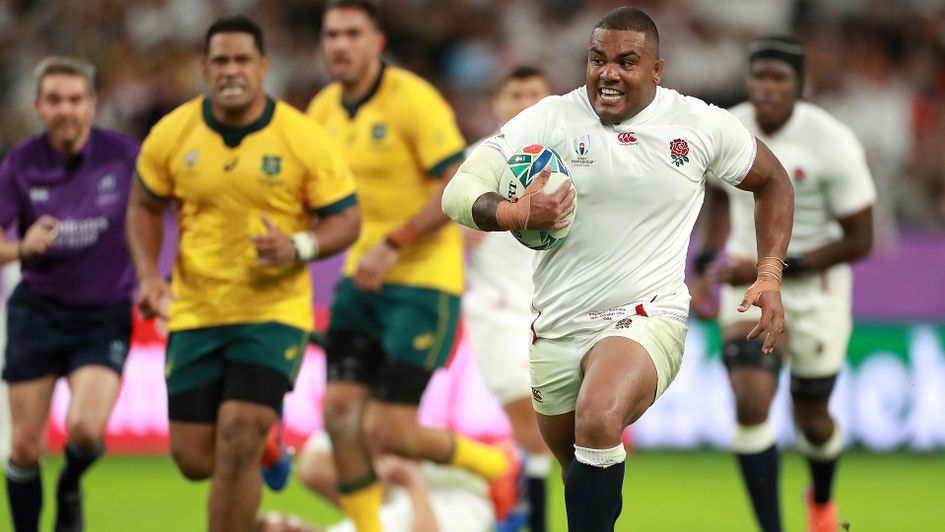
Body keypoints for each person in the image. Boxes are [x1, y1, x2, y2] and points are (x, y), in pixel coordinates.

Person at [442, 7, 795, 531]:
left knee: (599, 414)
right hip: (557, 325)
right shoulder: (550, 119)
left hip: (647, 314)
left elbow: (773, 181)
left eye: (626, 62)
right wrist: (514, 213)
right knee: (580, 472)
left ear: (656, 69)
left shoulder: (697, 124)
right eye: (597, 59)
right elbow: (457, 193)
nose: (608, 73)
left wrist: (769, 274)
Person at [126, 15, 360, 532]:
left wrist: (298, 246)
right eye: (221, 61)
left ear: (263, 67)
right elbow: (143, 204)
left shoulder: (301, 137)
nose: (231, 70)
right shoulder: (172, 133)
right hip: (196, 310)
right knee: (194, 459)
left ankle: (258, 433)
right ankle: (267, 447)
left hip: (272, 313)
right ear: (204, 68)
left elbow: (347, 218)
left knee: (238, 432)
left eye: (242, 60)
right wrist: (148, 277)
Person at [306, 2, 513, 530]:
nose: (340, 44)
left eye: (353, 33)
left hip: (421, 283)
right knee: (339, 415)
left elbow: (457, 182)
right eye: (332, 34)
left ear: (377, 41)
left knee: (389, 431)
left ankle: (494, 466)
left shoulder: (413, 100)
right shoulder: (322, 110)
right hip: (360, 281)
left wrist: (394, 243)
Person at [690, 35, 875, 532]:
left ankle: (821, 500)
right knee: (750, 402)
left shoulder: (832, 142)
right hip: (746, 284)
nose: (767, 88)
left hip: (816, 291)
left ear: (800, 85)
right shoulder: (728, 129)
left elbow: (861, 240)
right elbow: (717, 196)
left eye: (779, 79)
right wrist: (704, 264)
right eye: (759, 77)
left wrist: (772, 267)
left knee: (813, 421)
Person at [0, 56, 139, 532]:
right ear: (38, 106)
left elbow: (164, 207)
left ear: (93, 104)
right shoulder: (20, 164)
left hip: (103, 314)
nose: (66, 109)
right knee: (24, 446)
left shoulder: (125, 156)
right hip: (38, 313)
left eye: (76, 99)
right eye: (55, 100)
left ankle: (71, 484)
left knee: (85, 429)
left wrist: (155, 279)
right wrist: (22, 248)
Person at [462, 65, 554, 532]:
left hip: (554, 311)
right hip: (495, 311)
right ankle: (518, 502)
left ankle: (509, 493)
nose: (524, 102)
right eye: (514, 93)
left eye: (533, 93)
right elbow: (453, 228)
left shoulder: (568, 162)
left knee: (554, 432)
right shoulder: (478, 161)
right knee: (533, 426)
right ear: (496, 103)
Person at [266, 431, 495, 532]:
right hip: (466, 501)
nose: (295, 525)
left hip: (433, 494)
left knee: (312, 467)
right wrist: (413, 484)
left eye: (287, 520)